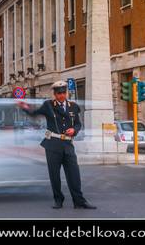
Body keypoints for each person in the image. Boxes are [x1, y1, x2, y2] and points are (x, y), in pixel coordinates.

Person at [16, 81, 96, 210]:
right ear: (54, 94)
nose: (61, 96)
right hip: (53, 144)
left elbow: (78, 124)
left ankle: (79, 201)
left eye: (63, 93)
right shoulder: (48, 105)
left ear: (66, 93)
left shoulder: (73, 107)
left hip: (68, 144)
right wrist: (24, 107)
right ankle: (58, 200)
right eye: (59, 93)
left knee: (74, 175)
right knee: (55, 175)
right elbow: (34, 114)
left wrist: (74, 130)